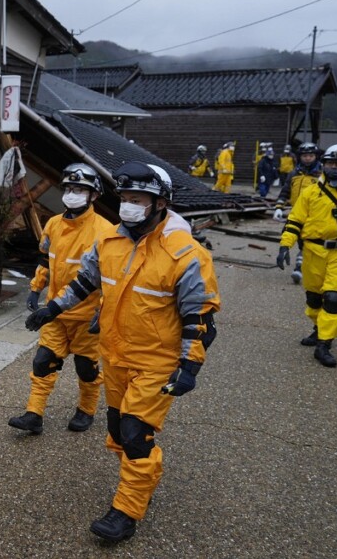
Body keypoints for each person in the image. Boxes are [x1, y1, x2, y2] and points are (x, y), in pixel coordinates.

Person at [25, 161, 220, 543]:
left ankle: (126, 510)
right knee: (117, 432)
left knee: (134, 434)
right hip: (114, 356)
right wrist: (51, 308)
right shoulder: (110, 242)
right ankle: (140, 474)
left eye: (139, 199)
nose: (129, 205)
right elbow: (85, 282)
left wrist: (189, 365)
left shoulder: (186, 254)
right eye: (126, 198)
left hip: (156, 363)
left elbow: (201, 317)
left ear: (160, 203)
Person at [9, 163, 111, 435]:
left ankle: (86, 409)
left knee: (86, 368)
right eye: (69, 188)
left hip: (86, 318)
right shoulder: (53, 224)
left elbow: (109, 280)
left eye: (80, 189)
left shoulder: (105, 232)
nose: (72, 194)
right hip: (54, 314)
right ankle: (34, 414)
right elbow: (46, 259)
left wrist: (102, 313)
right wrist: (35, 288)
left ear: (94, 195)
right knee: (43, 361)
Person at [276, 144, 337, 368]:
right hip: (312, 251)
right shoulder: (311, 192)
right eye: (332, 163)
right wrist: (285, 246)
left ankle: (324, 344)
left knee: (333, 299)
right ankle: (318, 328)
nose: (335, 168)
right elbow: (295, 220)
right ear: (325, 164)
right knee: (313, 300)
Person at [274, 142, 322, 290]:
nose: (307, 158)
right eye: (305, 156)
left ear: (315, 157)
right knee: (294, 238)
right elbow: (285, 191)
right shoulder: (294, 174)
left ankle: (299, 267)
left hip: (315, 215)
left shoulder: (321, 175)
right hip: (296, 213)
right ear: (300, 157)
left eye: (311, 155)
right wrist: (279, 207)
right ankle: (301, 264)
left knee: (307, 242)